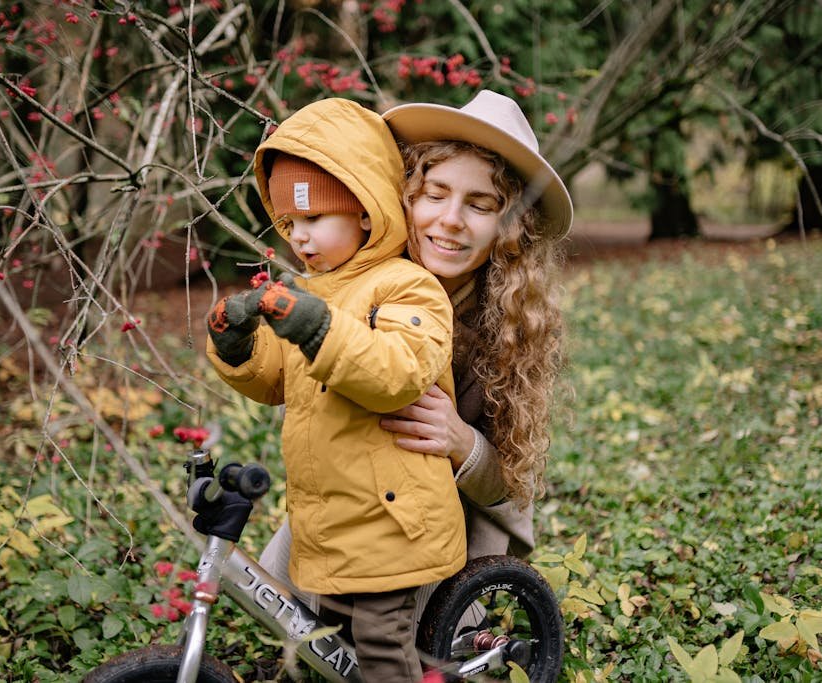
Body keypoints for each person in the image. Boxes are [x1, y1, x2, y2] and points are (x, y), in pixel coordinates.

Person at [259, 88, 572, 627]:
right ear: (401, 197)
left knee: (394, 640)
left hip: (437, 539)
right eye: (434, 194)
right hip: (349, 512)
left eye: (480, 205)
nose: (450, 220)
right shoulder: (359, 284)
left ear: (510, 229)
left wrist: (461, 442)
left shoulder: (506, 331)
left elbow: (511, 489)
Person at [205, 97, 467, 682]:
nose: (299, 239)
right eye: (289, 225)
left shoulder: (408, 287)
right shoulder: (312, 290)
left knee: (379, 642)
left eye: (314, 220)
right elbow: (274, 377)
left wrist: (315, 326)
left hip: (391, 522)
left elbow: (395, 372)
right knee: (331, 636)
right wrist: (236, 344)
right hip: (333, 515)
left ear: (367, 213)